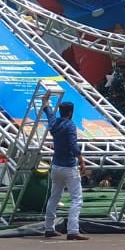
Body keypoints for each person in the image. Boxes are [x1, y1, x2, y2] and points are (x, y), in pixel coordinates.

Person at [41, 90, 88, 241]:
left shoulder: (55, 123)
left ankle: (49, 228)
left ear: (61, 111)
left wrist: (46, 101)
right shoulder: (70, 126)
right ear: (71, 112)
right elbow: (73, 146)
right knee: (77, 198)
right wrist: (81, 158)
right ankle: (73, 230)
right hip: (69, 166)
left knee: (54, 197)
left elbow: (48, 111)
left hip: (56, 166)